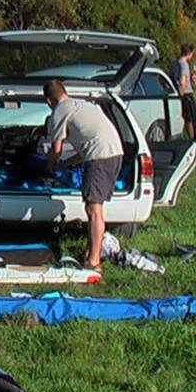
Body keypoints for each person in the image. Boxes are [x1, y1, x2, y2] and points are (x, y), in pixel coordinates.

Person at [43, 79, 124, 270]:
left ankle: (94, 262)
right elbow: (88, 144)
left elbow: (55, 150)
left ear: (48, 101)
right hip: (116, 153)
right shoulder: (83, 105)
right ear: (65, 92)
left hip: (99, 158)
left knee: (93, 210)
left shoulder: (59, 112)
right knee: (95, 208)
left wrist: (48, 167)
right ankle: (90, 252)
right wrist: (66, 164)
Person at [169, 42, 196, 141]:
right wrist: (181, 93)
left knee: (186, 117)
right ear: (189, 53)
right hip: (186, 94)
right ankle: (194, 139)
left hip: (175, 92)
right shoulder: (184, 64)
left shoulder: (174, 63)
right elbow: (183, 80)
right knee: (191, 118)